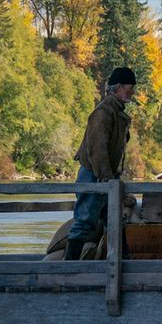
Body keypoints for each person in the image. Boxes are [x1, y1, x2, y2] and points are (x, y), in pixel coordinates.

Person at [65, 66, 135, 260]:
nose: (133, 92)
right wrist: (107, 181)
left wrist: (113, 181)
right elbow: (97, 149)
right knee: (84, 221)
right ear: (118, 87)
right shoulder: (103, 112)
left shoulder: (116, 112)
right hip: (94, 176)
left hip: (106, 177)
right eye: (130, 87)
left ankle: (122, 262)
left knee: (114, 221)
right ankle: (67, 268)